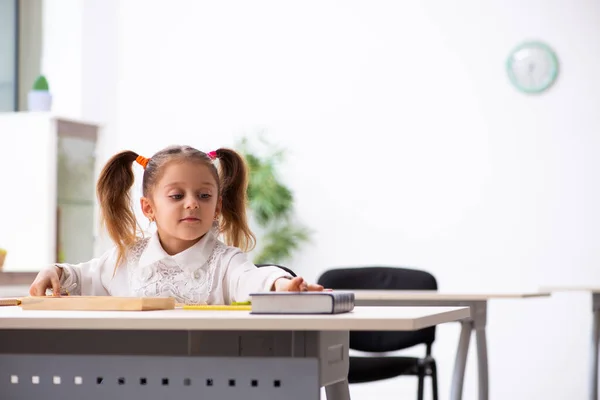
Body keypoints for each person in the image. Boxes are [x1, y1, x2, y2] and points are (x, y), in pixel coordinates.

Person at [29, 145, 323, 304]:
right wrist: (52, 272)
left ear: (217, 206)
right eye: (177, 195)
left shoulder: (226, 262)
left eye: (204, 195)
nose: (192, 203)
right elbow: (80, 277)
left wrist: (282, 285)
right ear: (149, 208)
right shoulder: (124, 260)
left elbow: (252, 280)